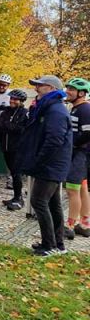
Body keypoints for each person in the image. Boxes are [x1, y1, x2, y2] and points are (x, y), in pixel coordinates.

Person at [17, 75, 72, 256]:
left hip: (51, 164)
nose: (36, 89)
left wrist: (39, 159)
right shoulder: (49, 107)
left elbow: (54, 139)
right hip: (53, 164)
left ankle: (49, 246)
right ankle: (58, 244)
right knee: (54, 204)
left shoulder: (55, 110)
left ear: (50, 88)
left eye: (39, 86)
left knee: (38, 201)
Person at [63, 78, 90, 239]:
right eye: (68, 88)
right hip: (80, 154)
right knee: (82, 188)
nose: (68, 91)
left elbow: (87, 134)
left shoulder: (85, 110)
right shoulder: (75, 108)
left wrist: (71, 144)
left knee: (72, 190)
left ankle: (70, 226)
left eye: (71, 89)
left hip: (80, 154)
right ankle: (85, 224)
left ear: (81, 93)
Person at [0, 89, 29, 211]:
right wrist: (9, 126)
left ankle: (18, 198)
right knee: (12, 172)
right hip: (6, 147)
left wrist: (8, 126)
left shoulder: (25, 113)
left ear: (21, 101)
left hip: (17, 148)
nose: (12, 101)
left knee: (16, 173)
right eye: (11, 99)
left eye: (15, 99)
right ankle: (15, 196)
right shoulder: (6, 111)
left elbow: (21, 129)